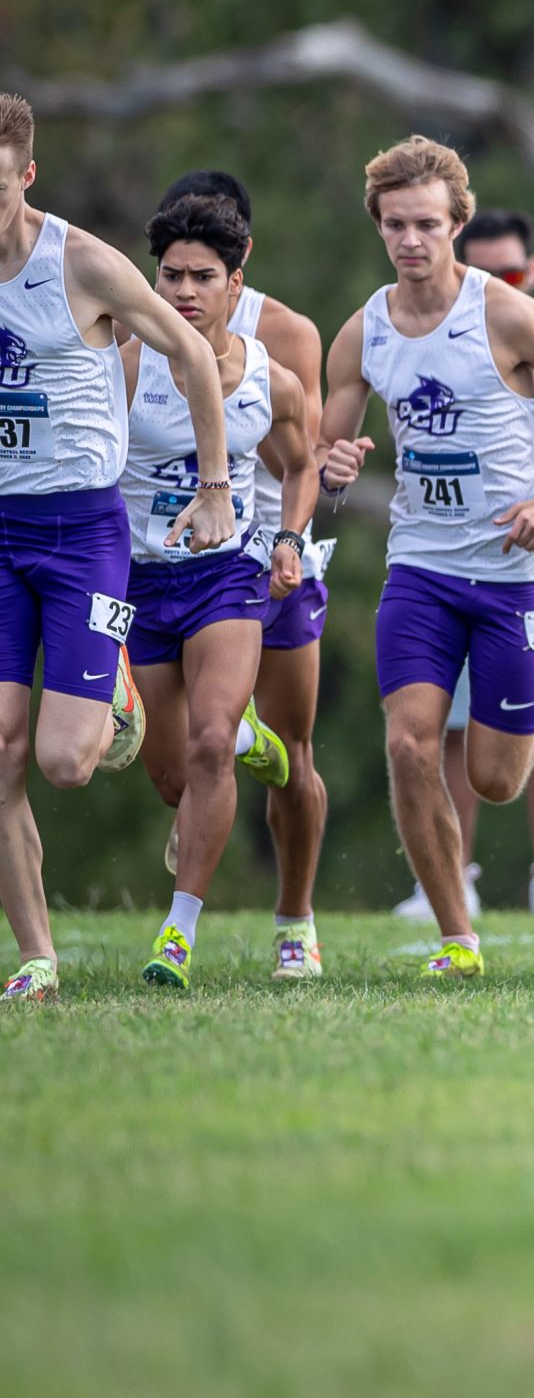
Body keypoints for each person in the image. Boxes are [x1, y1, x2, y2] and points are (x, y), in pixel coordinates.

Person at [315, 136, 534, 979]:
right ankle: (456, 937)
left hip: (513, 570)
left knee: (498, 777)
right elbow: (330, 437)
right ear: (379, 225)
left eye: (427, 224)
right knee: (409, 745)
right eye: (396, 224)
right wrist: (334, 464)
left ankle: (527, 688)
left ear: (457, 223)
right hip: (422, 570)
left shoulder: (504, 314)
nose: (411, 240)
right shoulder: (365, 328)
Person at [0, 93, 238, 1003]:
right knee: (3, 753)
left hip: (80, 531)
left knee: (65, 761)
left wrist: (215, 489)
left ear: (26, 176)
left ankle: (116, 685)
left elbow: (190, 351)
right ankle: (38, 958)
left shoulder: (82, 263)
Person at [124, 194, 318, 989]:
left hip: (225, 577)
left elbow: (300, 464)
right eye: (170, 276)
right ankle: (250, 741)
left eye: (204, 277)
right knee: (172, 775)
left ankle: (178, 933)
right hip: (136, 581)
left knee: (206, 743)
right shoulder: (124, 363)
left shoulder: (268, 378)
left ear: (239, 284)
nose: (184, 293)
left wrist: (288, 537)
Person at [422, 207, 534, 918]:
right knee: (458, 725)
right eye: (489, 272)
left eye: (515, 273)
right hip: (458, 560)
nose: (504, 285)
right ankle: (452, 872)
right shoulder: (436, 344)